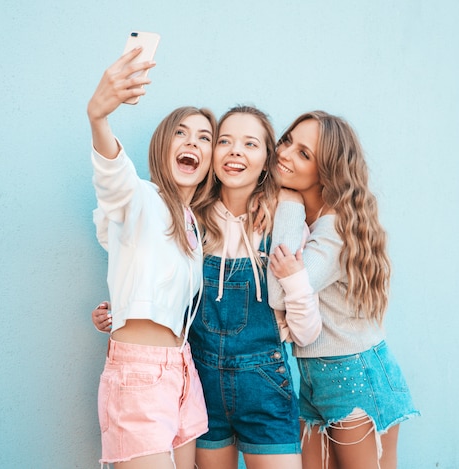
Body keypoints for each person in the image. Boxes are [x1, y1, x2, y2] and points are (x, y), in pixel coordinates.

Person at [93, 106, 321, 469]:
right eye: (225, 141)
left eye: (250, 144)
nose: (234, 151)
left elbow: (307, 331)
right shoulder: (191, 218)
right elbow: (150, 264)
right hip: (200, 381)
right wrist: (121, 308)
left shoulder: (282, 219)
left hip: (263, 386)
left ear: (266, 161)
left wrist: (289, 207)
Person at [267, 111, 420, 469]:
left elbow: (279, 292)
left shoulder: (333, 230)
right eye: (288, 140)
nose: (285, 153)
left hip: (356, 377)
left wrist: (288, 200)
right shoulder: (313, 220)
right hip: (314, 378)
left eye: (304, 154)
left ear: (327, 172)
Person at [87, 47, 217, 469]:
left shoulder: (193, 224)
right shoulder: (142, 199)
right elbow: (115, 181)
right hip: (139, 376)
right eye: (181, 133)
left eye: (204, 138)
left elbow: (151, 283)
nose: (192, 142)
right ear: (163, 145)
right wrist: (98, 118)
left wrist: (120, 308)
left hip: (183, 370)